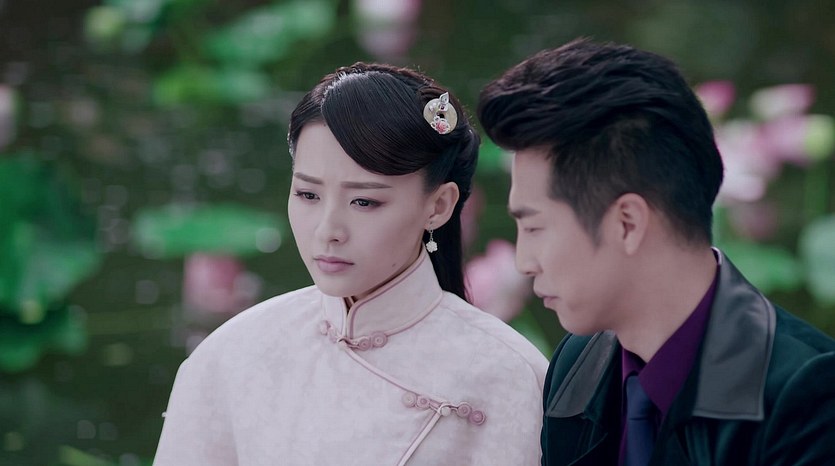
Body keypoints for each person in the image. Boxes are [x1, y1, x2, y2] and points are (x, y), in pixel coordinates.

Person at [153, 62, 548, 465]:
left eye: (364, 201)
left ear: (439, 206)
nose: (328, 230)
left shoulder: (509, 375)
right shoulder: (230, 356)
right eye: (308, 195)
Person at [477, 39, 835, 465]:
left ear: (627, 223)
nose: (524, 262)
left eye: (535, 227)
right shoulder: (579, 363)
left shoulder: (808, 399)